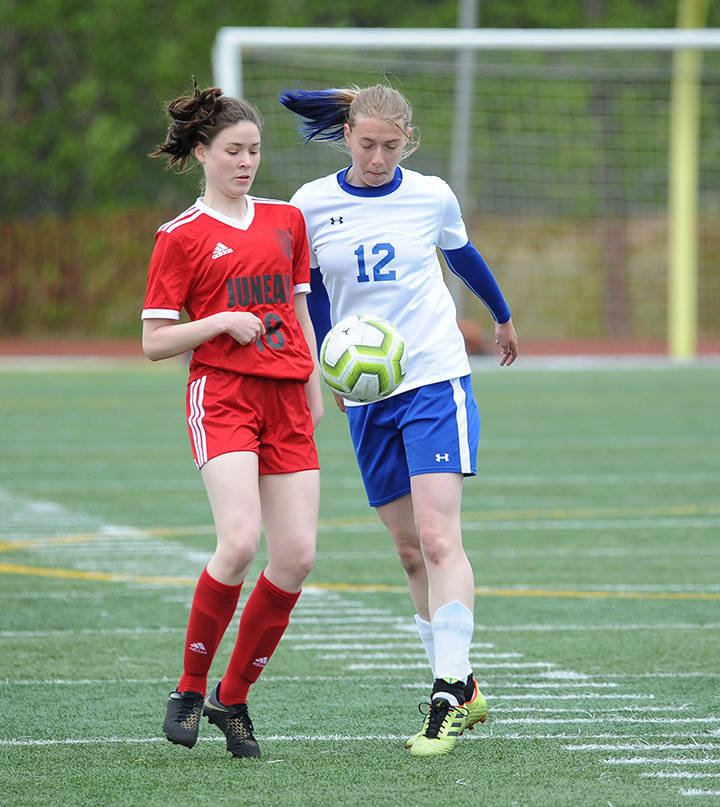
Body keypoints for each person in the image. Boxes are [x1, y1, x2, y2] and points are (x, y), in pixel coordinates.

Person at [280, 84, 518, 758]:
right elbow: (312, 294)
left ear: (406, 142)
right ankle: (465, 685)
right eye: (366, 144)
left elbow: (462, 255)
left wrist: (500, 316)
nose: (378, 156)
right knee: (410, 547)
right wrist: (328, 362)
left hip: (433, 379)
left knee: (441, 534)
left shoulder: (431, 195)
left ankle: (445, 693)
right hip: (366, 394)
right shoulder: (309, 204)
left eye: (390, 146)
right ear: (347, 135)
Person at [142, 79, 323, 759]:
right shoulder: (179, 237)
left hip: (286, 397)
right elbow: (155, 340)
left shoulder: (286, 220)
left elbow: (300, 308)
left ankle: (233, 697)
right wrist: (217, 322)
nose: (246, 162)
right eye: (234, 150)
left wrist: (312, 381)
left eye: (254, 150)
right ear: (202, 150)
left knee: (298, 555)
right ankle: (190, 684)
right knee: (241, 541)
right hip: (221, 394)